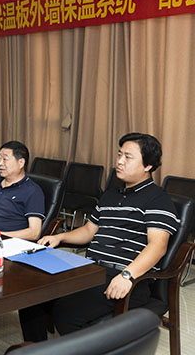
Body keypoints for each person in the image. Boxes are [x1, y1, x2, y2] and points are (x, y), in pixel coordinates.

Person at [19, 132, 179, 342]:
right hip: (91, 270)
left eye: (128, 157)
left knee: (67, 313)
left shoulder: (158, 200)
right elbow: (88, 231)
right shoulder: (111, 195)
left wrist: (127, 276)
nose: (119, 161)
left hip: (126, 278)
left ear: (148, 165)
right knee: (30, 297)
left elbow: (158, 246)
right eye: (119, 154)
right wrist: (60, 238)